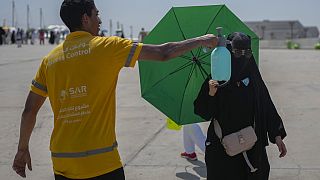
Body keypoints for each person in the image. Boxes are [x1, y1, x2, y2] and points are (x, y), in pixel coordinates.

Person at [12, 0, 218, 179]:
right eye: (97, 15)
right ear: (85, 18)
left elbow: (30, 109)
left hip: (62, 163)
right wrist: (201, 40)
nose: (100, 21)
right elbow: (163, 52)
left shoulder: (49, 61)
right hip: (101, 163)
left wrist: (22, 149)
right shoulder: (107, 47)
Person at [194, 32, 287, 180]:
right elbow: (202, 111)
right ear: (228, 52)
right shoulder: (217, 77)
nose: (243, 56)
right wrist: (210, 93)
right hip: (222, 150)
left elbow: (266, 104)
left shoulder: (253, 76)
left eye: (247, 52)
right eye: (237, 52)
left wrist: (277, 135)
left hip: (252, 148)